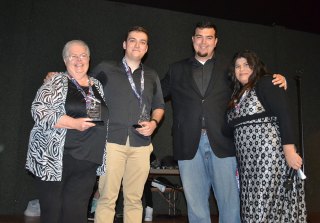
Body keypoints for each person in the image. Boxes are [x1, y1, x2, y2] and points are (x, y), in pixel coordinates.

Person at [160, 21, 287, 223]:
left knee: (230, 203)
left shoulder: (230, 66)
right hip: (187, 144)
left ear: (216, 41)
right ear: (193, 40)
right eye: (199, 37)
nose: (204, 42)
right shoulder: (176, 69)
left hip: (224, 141)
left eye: (209, 37)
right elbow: (155, 94)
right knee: (196, 205)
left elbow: (251, 81)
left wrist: (274, 78)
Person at [25, 40, 109, 223]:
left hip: (87, 161)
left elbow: (96, 117)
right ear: (65, 60)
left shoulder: (96, 86)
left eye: (83, 55)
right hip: (57, 159)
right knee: (53, 214)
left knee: (76, 215)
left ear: (89, 58)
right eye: (73, 56)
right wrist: (73, 123)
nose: (79, 60)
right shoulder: (56, 81)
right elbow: (39, 111)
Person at [92, 26, 165, 223]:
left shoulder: (152, 75)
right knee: (107, 198)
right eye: (132, 40)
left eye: (142, 42)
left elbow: (159, 106)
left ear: (146, 48)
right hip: (111, 141)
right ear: (124, 44)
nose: (137, 45)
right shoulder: (105, 68)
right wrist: (95, 130)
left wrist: (154, 123)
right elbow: (88, 94)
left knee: (134, 199)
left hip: (141, 144)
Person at [226, 49, 307, 222]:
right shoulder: (238, 95)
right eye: (237, 66)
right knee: (252, 206)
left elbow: (283, 115)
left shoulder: (266, 82)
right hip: (248, 163)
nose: (241, 69)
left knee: (263, 206)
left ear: (255, 66)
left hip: (269, 159)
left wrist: (289, 152)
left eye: (246, 64)